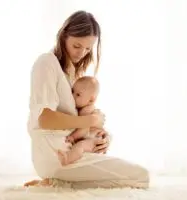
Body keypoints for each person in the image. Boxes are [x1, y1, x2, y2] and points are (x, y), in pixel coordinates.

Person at [24, 10, 149, 189]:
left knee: (137, 175)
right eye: (77, 46)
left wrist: (101, 136)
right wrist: (89, 120)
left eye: (88, 48)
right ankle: (57, 179)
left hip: (71, 150)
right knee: (140, 176)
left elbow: (79, 122)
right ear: (64, 36)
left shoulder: (73, 74)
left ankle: (56, 182)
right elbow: (44, 119)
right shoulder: (46, 63)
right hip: (55, 153)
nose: (82, 53)